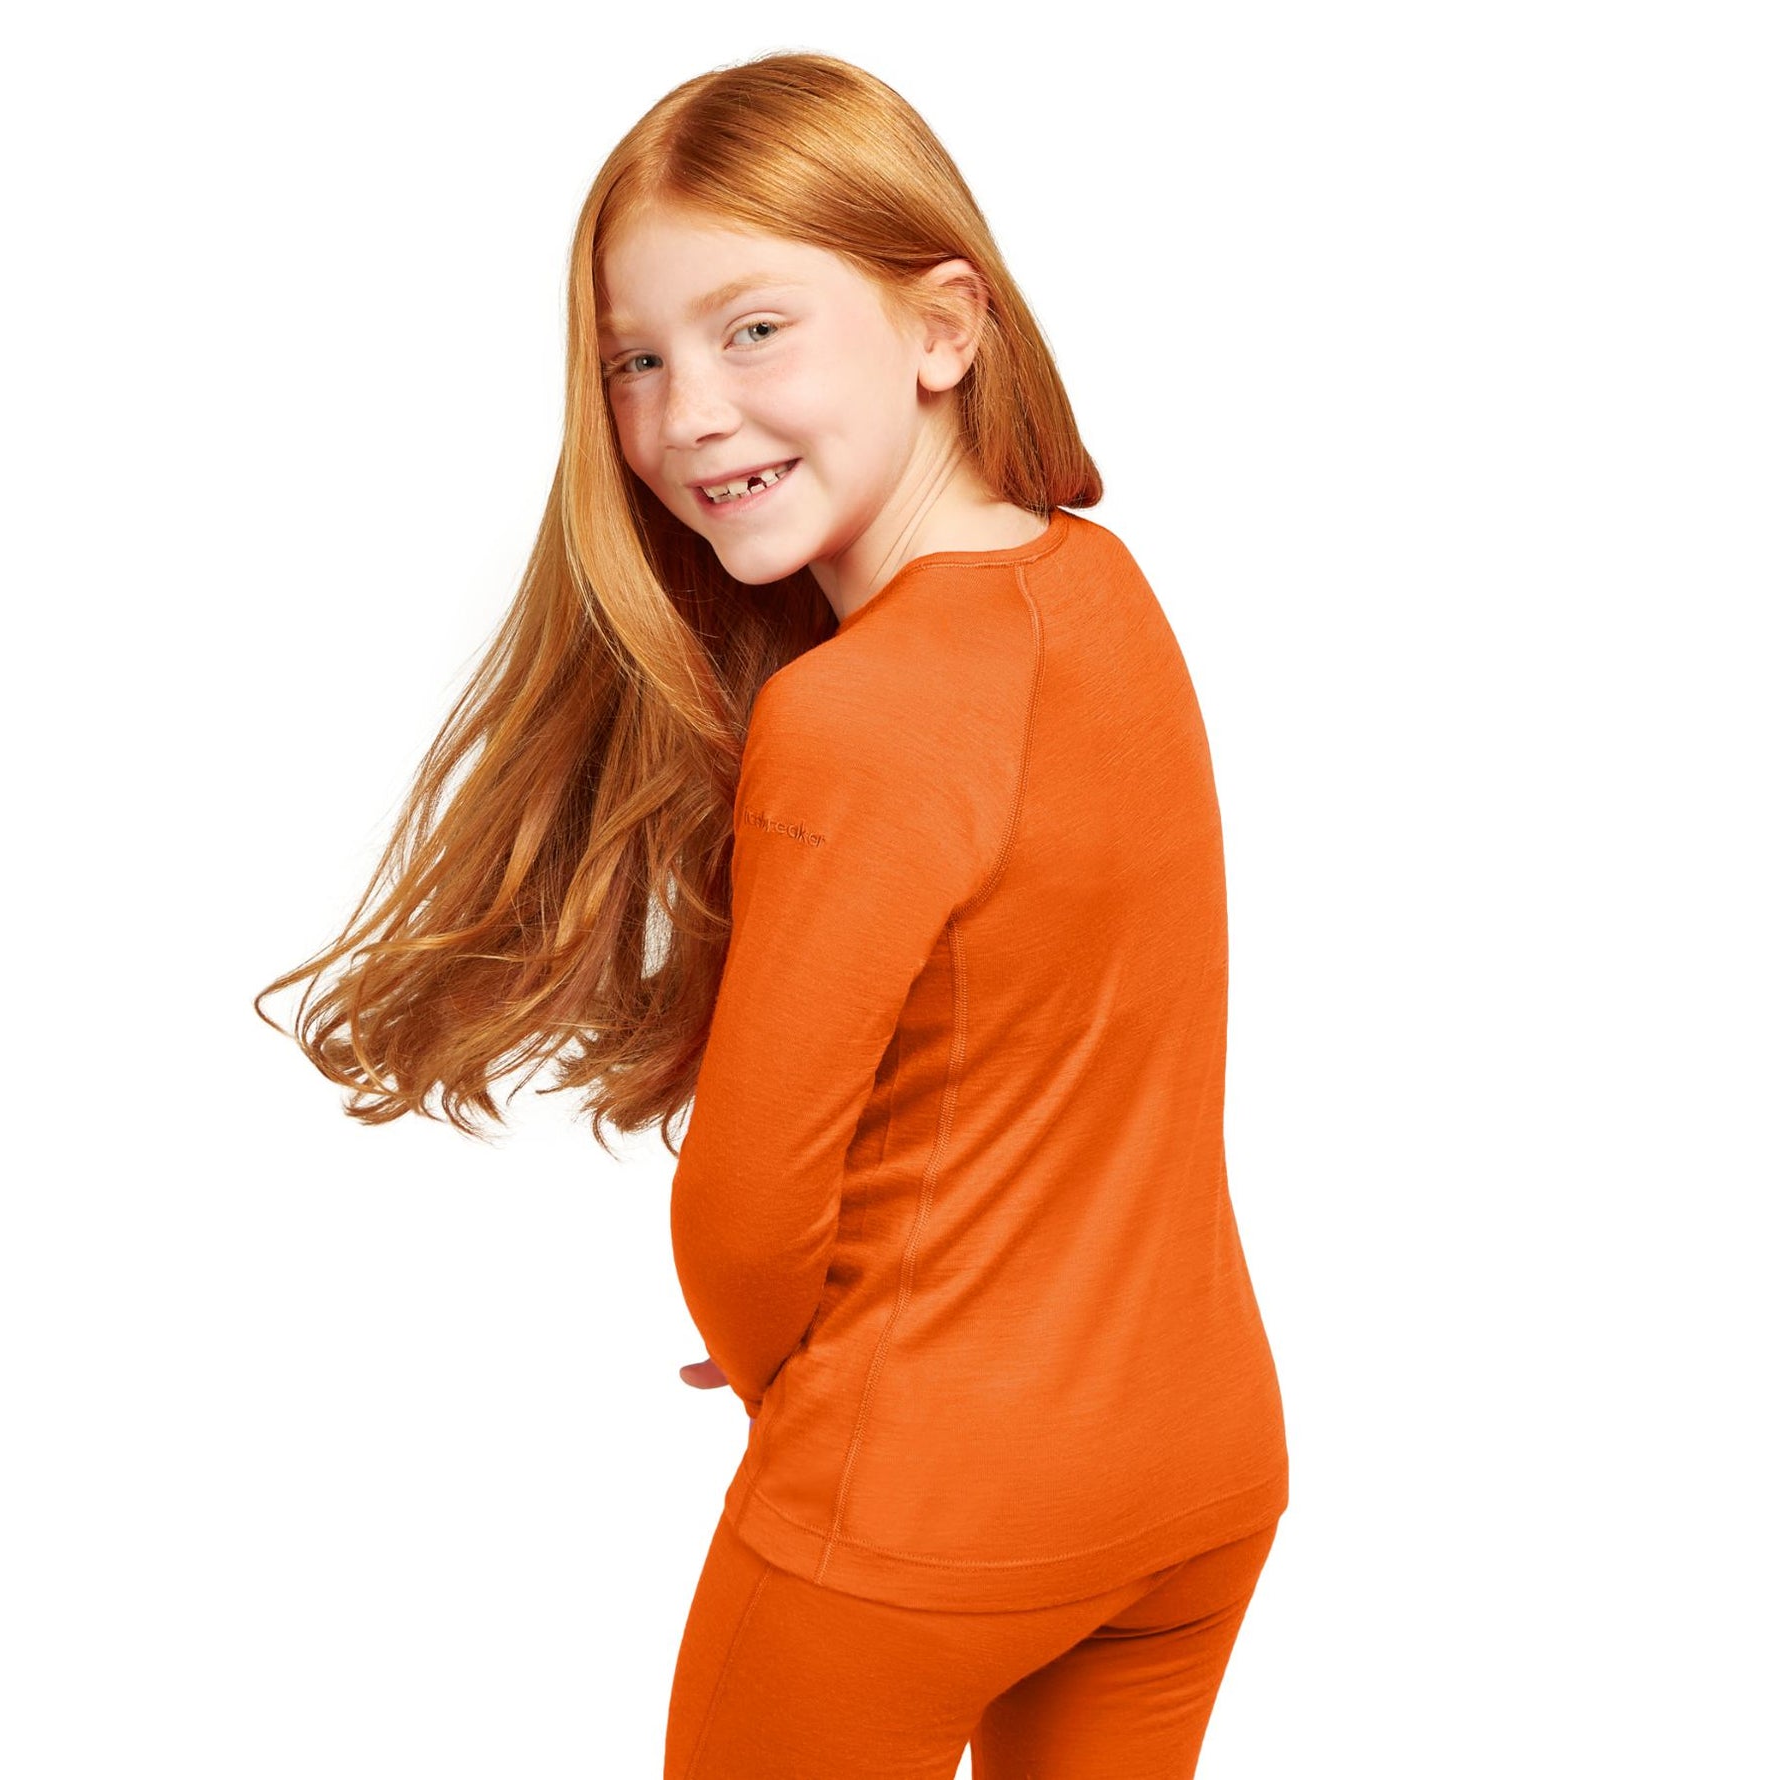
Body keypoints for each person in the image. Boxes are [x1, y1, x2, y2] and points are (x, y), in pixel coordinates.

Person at [255, 48, 1289, 1780]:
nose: (689, 416)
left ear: (944, 327)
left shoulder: (857, 708)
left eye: (753, 331)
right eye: (636, 363)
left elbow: (746, 1206)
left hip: (920, 1508)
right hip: (1196, 1469)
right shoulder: (1102, 585)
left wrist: (796, 1384)